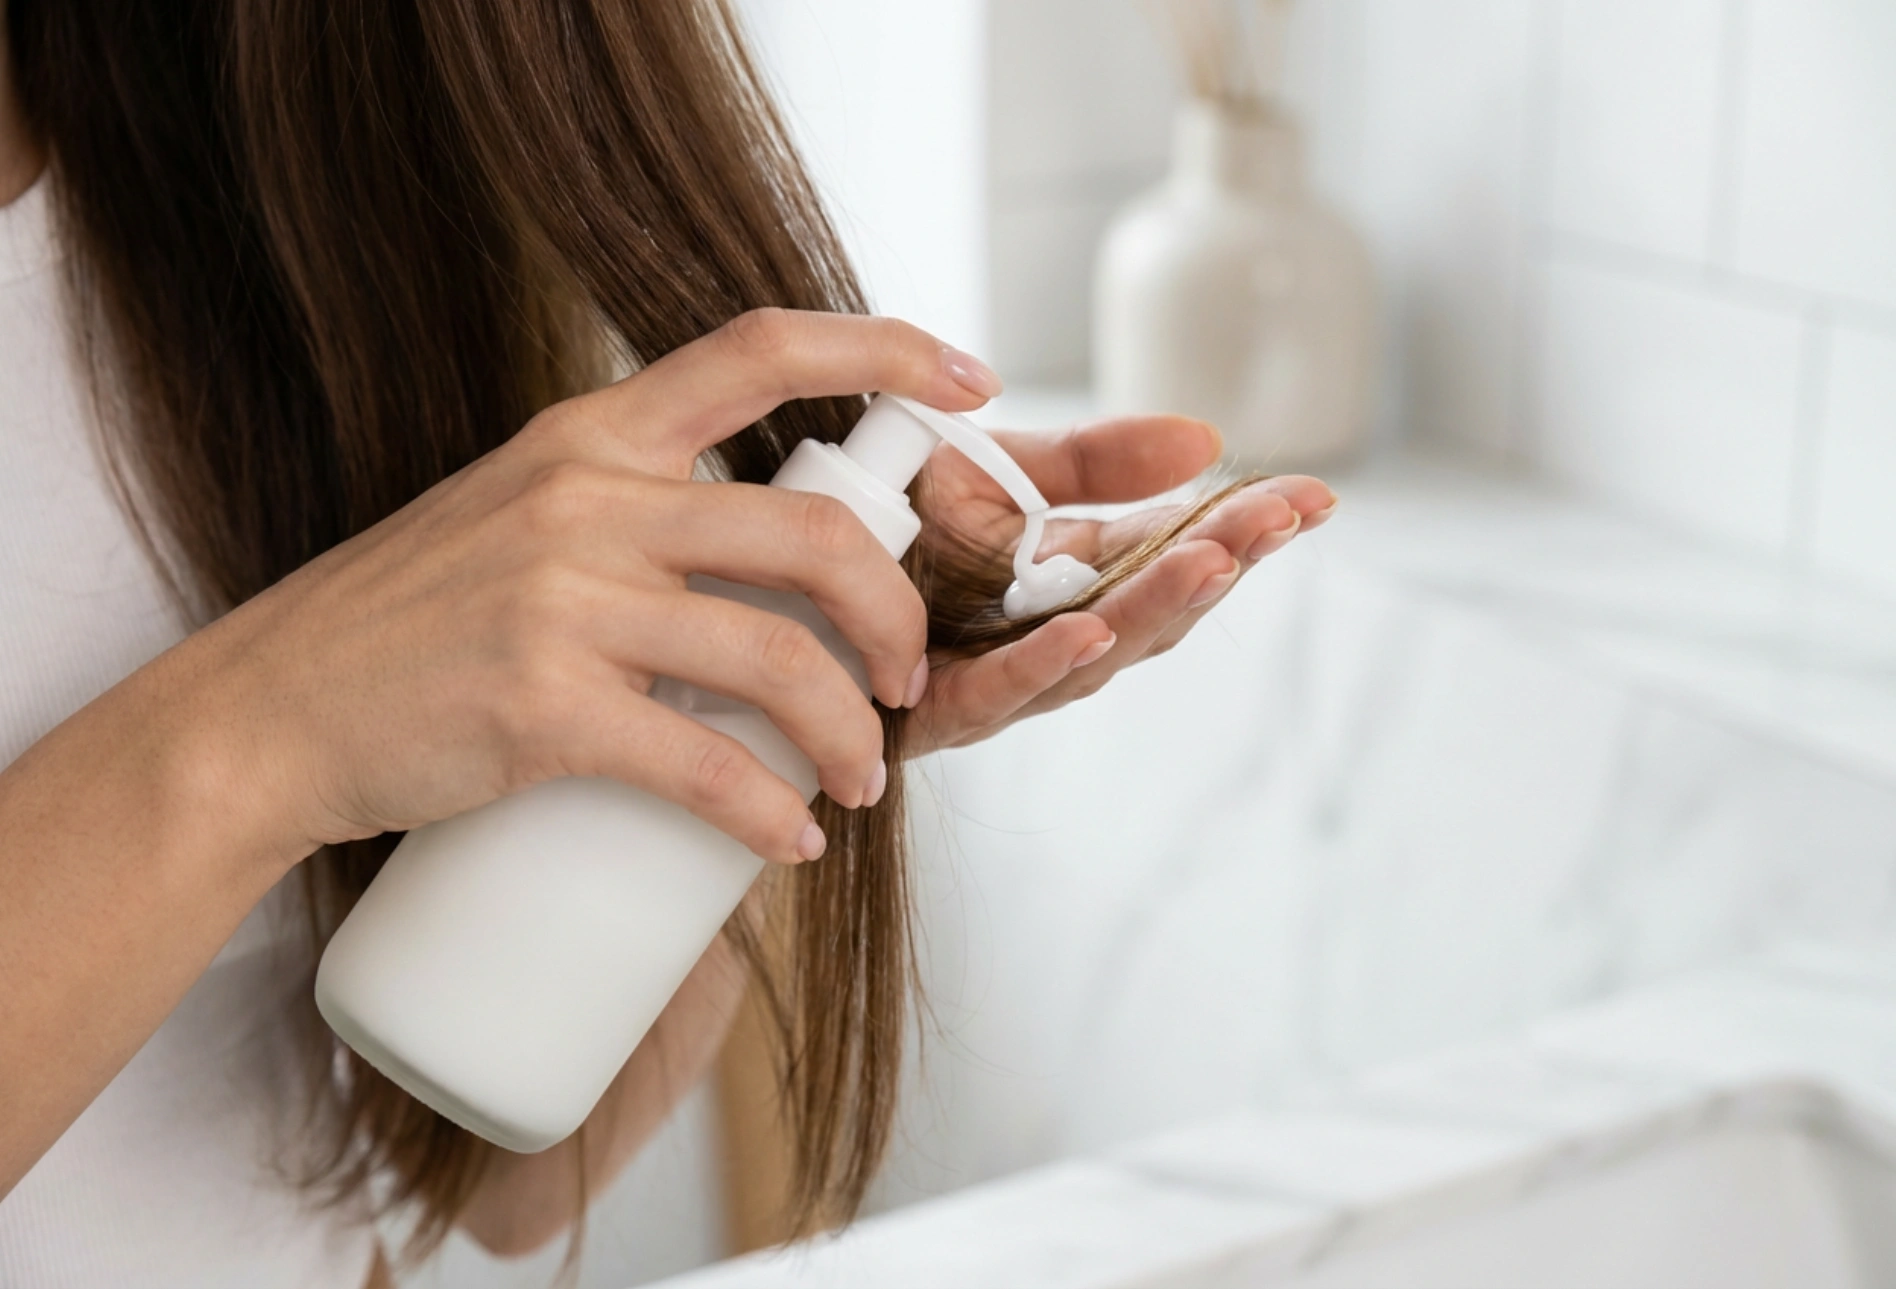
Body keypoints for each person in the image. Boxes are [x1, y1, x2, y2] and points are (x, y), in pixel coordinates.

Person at [0, 2, 1334, 1285]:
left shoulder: (280, 127)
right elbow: (282, 731)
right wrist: (266, 731)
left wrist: (761, 700)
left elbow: (502, 1179)